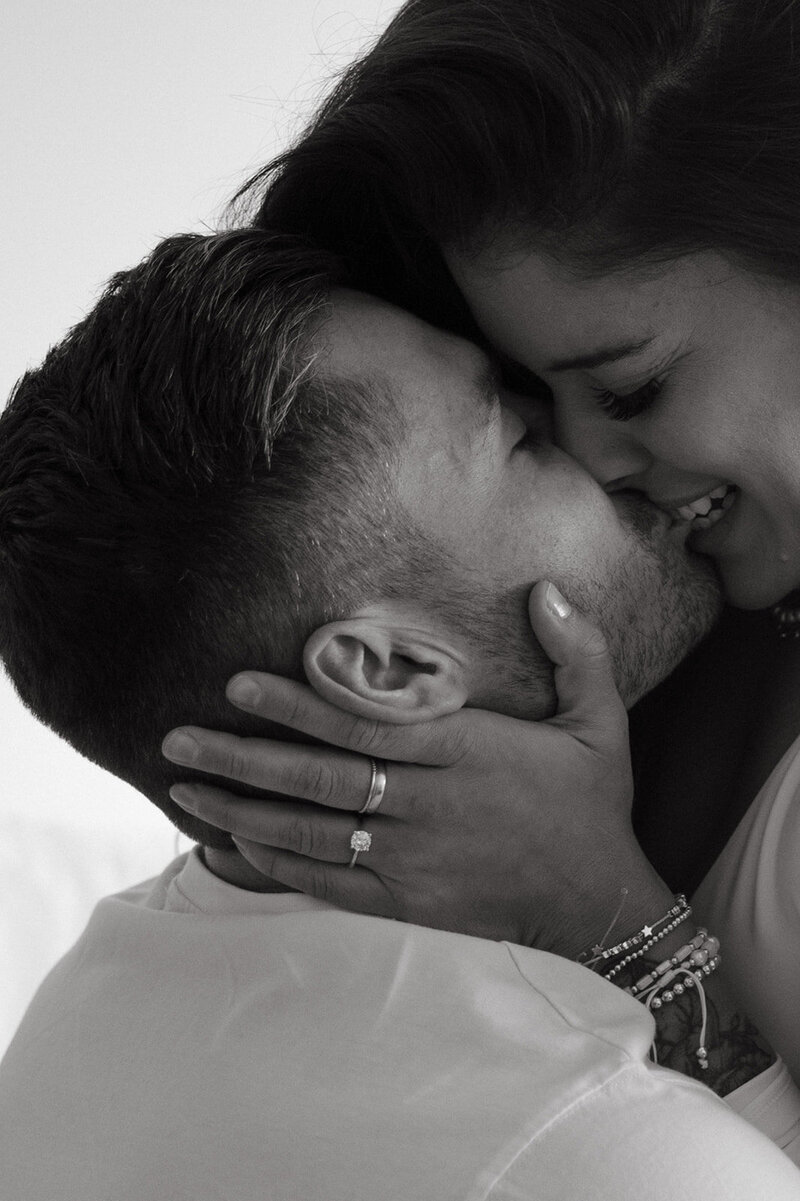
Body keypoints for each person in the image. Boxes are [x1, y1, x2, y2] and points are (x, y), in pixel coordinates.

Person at [2, 228, 799, 1197]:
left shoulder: (66, 1044)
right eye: (520, 438)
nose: (599, 448)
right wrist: (619, 920)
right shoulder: (615, 1141)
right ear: (388, 668)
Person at [162, 0, 800, 1083]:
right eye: (525, 407)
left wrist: (608, 917)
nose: (593, 466)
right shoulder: (554, 677)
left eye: (632, 386)